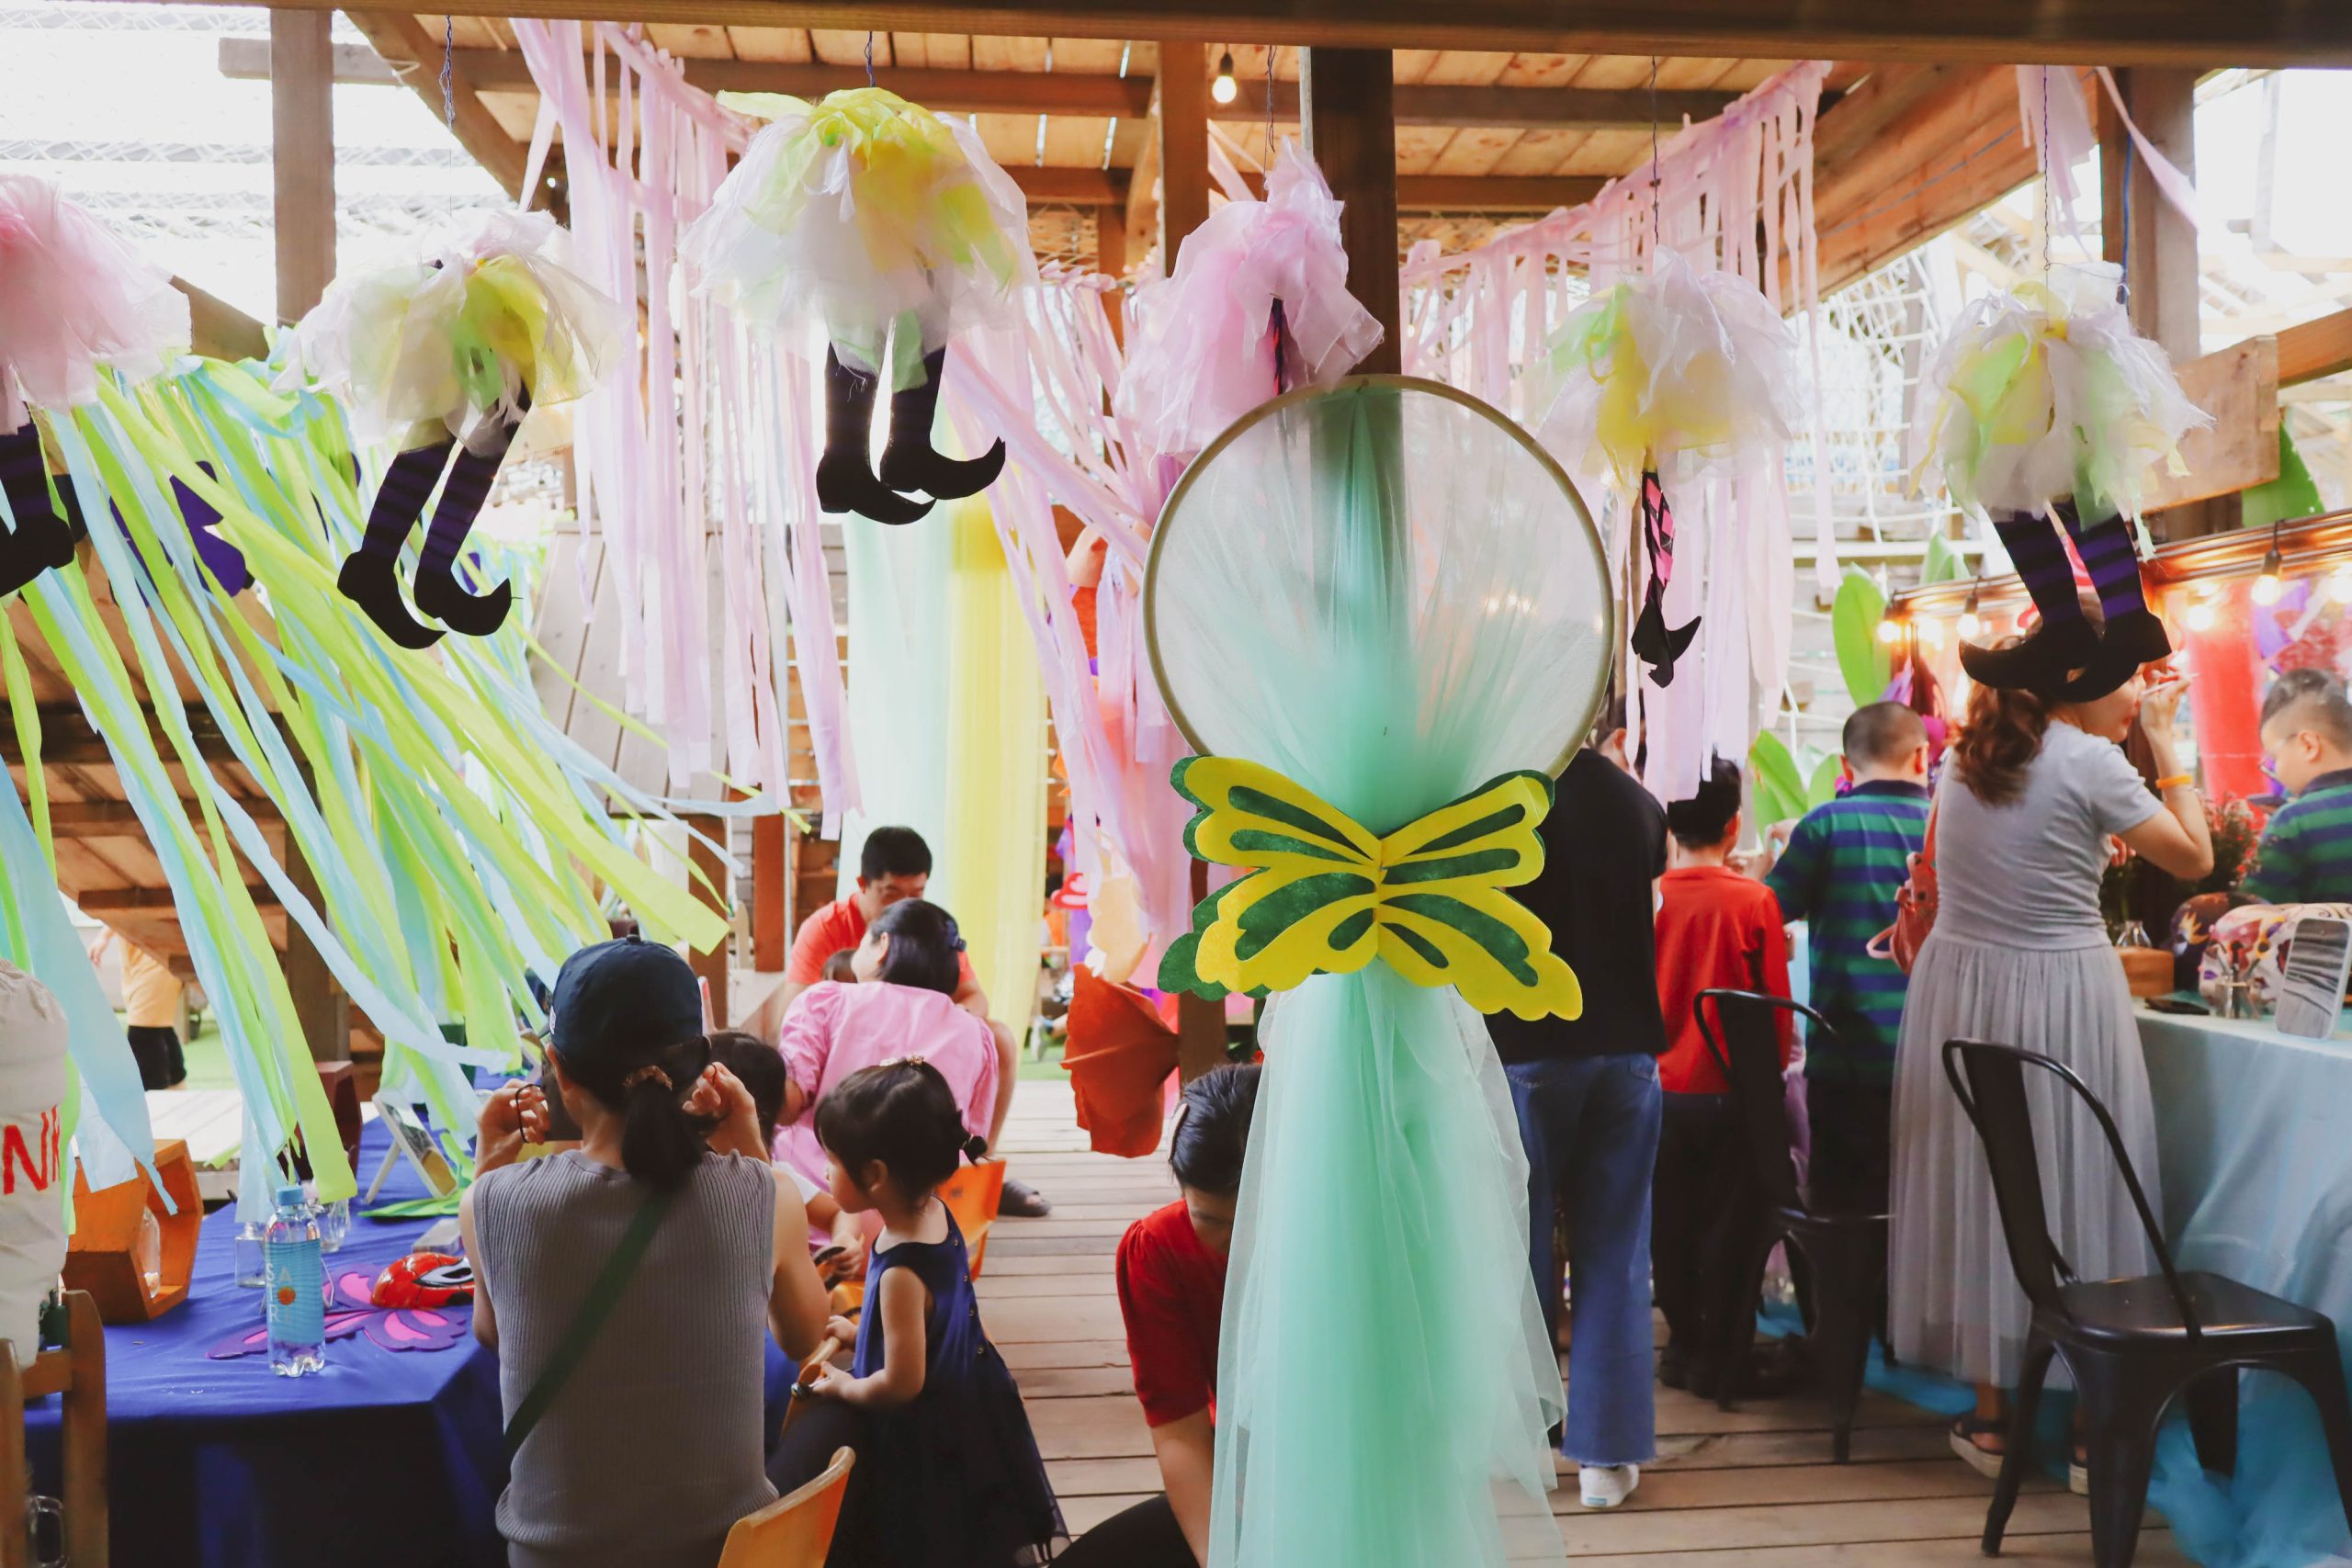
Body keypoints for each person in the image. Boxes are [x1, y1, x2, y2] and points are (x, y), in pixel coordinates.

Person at [1888, 642, 2211, 1478]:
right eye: (2128, 673)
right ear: (2079, 679)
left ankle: (1993, 1418)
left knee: (1986, 1182)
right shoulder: (2091, 761)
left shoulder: (1965, 761)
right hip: (2062, 985)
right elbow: (2196, 858)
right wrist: (2168, 744)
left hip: (1962, 986)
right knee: (2084, 1180)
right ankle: (2090, 1430)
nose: (2138, 689)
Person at [461, 935, 831, 1568]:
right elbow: (803, 1336)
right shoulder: (765, 1195)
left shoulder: (492, 1202)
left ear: (558, 1068)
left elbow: (494, 1333)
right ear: (702, 1063)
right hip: (724, 1556)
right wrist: (756, 1158)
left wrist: (486, 1170)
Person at [1485, 736, 1667, 1512]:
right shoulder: (1634, 800)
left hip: (1523, 1048)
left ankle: (1516, 1437)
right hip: (1627, 1051)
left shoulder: (1495, 793)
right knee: (1616, 1252)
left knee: (1511, 1252)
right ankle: (1605, 1455)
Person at [802, 1060, 1065, 1567]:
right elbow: (932, 1322)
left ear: (875, 1175)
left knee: (927, 1544)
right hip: (973, 1391)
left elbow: (902, 1383)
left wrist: (845, 1386)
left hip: (927, 1433)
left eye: (831, 1160)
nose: (826, 1172)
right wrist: (862, 1335)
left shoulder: (901, 1271)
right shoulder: (935, 1213)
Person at [1056, 1065, 1261, 1566]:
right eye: (1212, 1220)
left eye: (1255, 1219)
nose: (1238, 1243)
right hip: (1240, 1478)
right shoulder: (1160, 1250)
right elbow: (1180, 1430)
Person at [783, 826, 1046, 1215]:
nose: (905, 903)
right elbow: (793, 1006)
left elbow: (975, 997)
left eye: (916, 893)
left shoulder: (925, 930)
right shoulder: (824, 930)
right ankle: (957, 1182)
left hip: (830, 1184)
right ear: (863, 885)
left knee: (1000, 1036)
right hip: (893, 1184)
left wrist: (937, 1025)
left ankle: (979, 1173)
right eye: (892, 893)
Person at [1650, 756, 1793, 1398]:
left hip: (1658, 1092)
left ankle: (1682, 1344)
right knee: (1730, 1229)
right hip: (1731, 1092)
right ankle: (1721, 1355)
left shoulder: (1651, 897)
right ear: (1735, 826)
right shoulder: (1754, 900)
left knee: (1669, 1224)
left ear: (1669, 824)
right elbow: (1775, 1012)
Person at [1763, 702, 1931, 1214]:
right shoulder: (1946, 828)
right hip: (1935, 1057)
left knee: (1847, 1213)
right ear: (1922, 757)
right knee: (1925, 1210)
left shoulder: (1824, 827)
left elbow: (1767, 915)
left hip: (1845, 1060)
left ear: (1844, 765)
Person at [774, 900, 1001, 1201]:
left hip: (819, 1198)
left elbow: (787, 1107)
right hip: (924, 1205)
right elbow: (972, 1133)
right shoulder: (973, 1031)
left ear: (883, 945)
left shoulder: (825, 1002)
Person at [2245, 669, 2352, 905]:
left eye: (2274, 757)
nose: (2276, 769)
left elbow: (2258, 913)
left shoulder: (2293, 822)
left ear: (2308, 745)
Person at [119, 942, 185, 1090]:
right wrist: (104, 937)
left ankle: (158, 1097)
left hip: (154, 960)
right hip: (141, 961)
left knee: (144, 1034)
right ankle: (176, 1092)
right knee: (159, 1029)